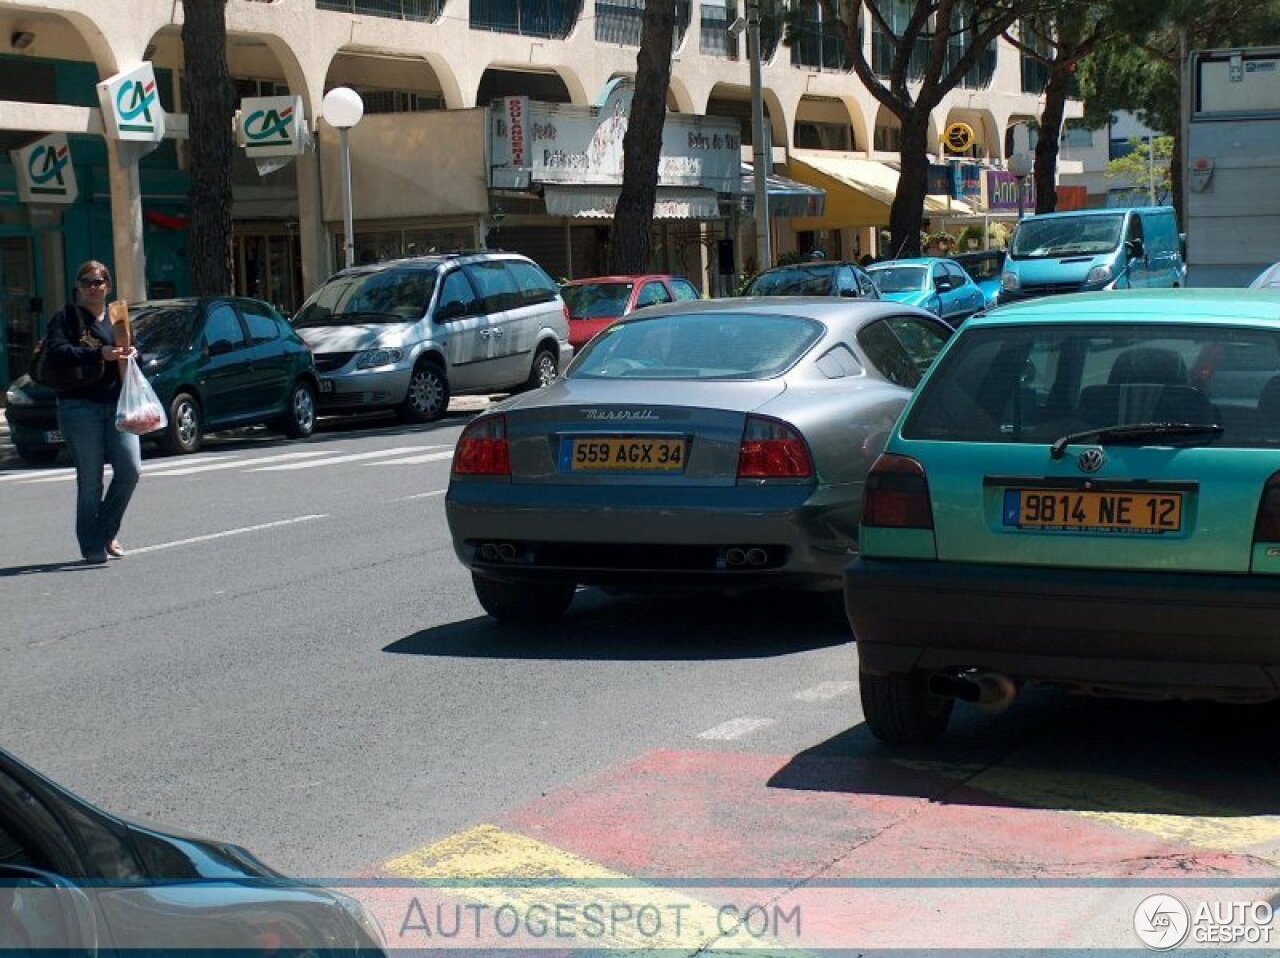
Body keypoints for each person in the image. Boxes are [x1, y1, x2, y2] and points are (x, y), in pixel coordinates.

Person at [44, 261, 140, 564]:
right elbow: (58, 352)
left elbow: (134, 347)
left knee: (130, 470)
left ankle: (106, 531)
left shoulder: (117, 316)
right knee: (90, 480)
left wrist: (134, 353)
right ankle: (91, 545)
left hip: (117, 403)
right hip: (79, 405)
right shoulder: (66, 317)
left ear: (107, 285)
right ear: (78, 287)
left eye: (98, 282)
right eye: (86, 282)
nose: (92, 287)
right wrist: (97, 353)